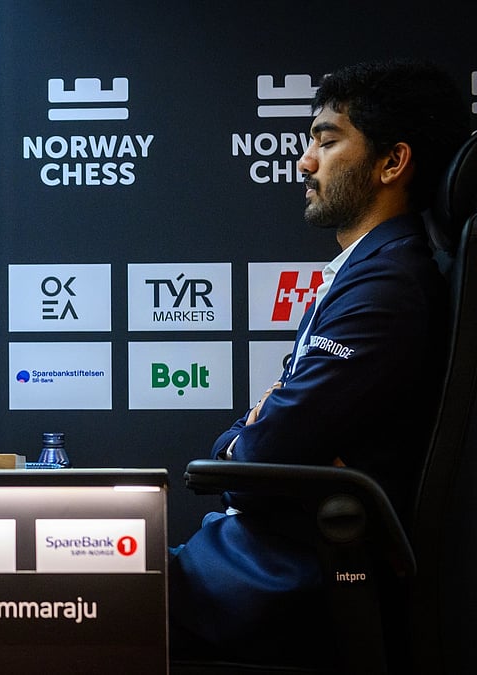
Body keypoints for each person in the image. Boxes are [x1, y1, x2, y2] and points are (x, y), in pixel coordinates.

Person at [169, 59, 470, 665]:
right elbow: (275, 431)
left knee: (57, 602)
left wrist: (245, 444)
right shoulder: (369, 272)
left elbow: (264, 450)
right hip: (251, 559)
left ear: (393, 162)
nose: (304, 162)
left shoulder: (386, 288)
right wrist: (257, 436)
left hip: (279, 581)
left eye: (327, 142)